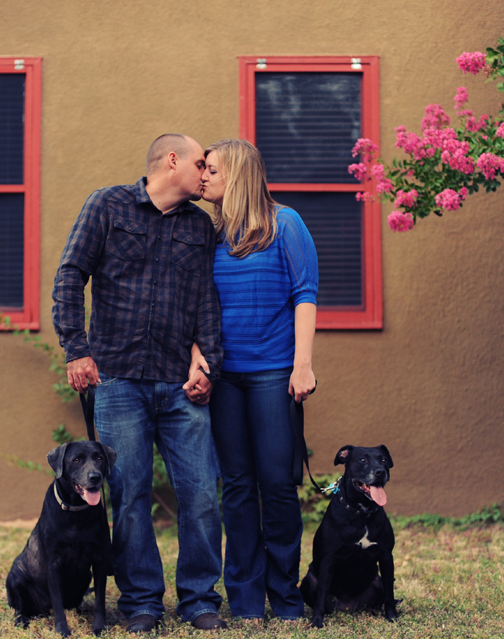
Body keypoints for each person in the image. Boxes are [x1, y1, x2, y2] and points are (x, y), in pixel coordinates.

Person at [52, 134, 227, 633]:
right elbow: (70, 276)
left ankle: (199, 600)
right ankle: (141, 601)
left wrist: (207, 364)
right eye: (200, 164)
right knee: (128, 494)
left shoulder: (200, 227)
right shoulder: (107, 206)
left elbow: (206, 303)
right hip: (119, 380)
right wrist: (76, 348)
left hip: (181, 383)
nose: (206, 174)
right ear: (172, 162)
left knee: (201, 493)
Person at [193, 138, 318, 623]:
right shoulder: (210, 233)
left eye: (212, 170)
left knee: (278, 486)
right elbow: (197, 306)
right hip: (225, 378)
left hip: (272, 375)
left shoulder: (285, 224)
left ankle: (285, 597)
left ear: (239, 174)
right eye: (201, 169)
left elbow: (305, 294)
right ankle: (245, 601)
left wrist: (301, 365)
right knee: (238, 488)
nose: (202, 177)